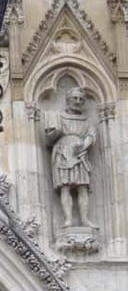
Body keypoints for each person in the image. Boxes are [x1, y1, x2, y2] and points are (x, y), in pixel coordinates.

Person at [45, 87, 97, 228]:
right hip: (63, 153)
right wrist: (56, 132)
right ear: (68, 100)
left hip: (80, 153)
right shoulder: (58, 116)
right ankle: (68, 219)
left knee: (82, 187)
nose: (78, 101)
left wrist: (84, 145)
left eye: (81, 99)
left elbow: (91, 136)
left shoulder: (87, 120)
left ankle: (85, 219)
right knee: (65, 186)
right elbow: (49, 140)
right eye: (75, 98)